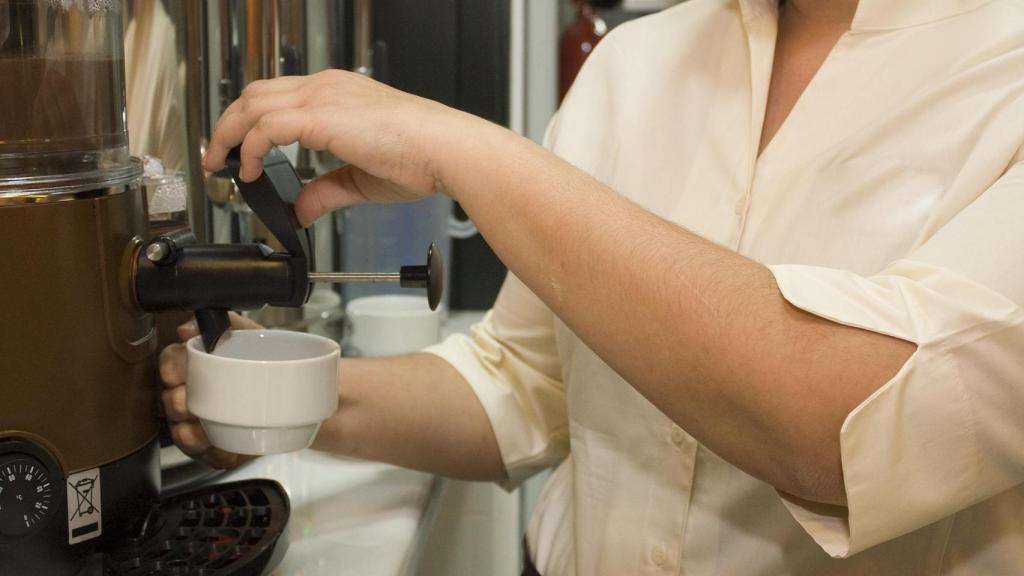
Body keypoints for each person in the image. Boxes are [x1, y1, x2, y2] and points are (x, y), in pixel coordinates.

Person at [159, 0, 1024, 573]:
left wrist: (466, 151)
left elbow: (843, 422)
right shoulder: (638, 61)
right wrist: (282, 397)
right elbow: (527, 382)